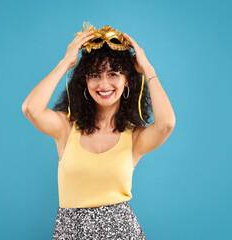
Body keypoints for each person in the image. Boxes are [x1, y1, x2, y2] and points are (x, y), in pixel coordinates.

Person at [22, 22, 176, 239]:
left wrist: (148, 69)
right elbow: (31, 109)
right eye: (94, 75)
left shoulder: (134, 137)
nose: (103, 83)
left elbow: (167, 123)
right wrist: (66, 62)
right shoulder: (67, 128)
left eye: (113, 74)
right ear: (84, 81)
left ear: (127, 80)